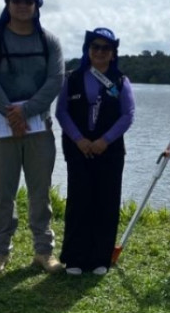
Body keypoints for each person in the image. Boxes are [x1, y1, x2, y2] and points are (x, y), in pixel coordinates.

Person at [0, 0, 65, 274]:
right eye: (16, 0)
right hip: (1, 130)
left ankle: (44, 251)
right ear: (8, 4)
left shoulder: (49, 41)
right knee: (3, 193)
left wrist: (25, 111)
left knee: (40, 192)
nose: (22, 6)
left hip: (40, 128)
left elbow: (55, 80)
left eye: (28, 1)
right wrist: (10, 113)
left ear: (36, 5)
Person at [56, 27, 135, 275]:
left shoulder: (121, 81)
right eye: (95, 47)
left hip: (109, 150)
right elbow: (61, 112)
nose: (100, 52)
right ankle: (75, 258)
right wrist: (79, 139)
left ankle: (100, 258)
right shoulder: (72, 78)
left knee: (106, 202)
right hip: (78, 149)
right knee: (79, 202)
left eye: (106, 48)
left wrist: (105, 140)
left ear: (113, 54)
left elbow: (128, 115)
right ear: (87, 50)